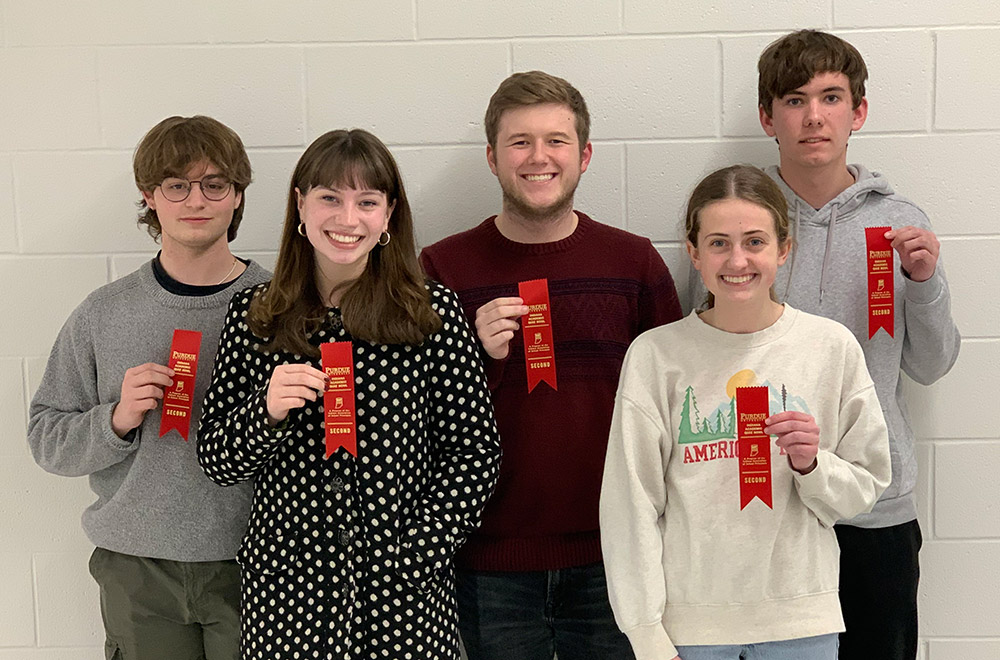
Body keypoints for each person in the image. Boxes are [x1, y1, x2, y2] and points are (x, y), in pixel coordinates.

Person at [197, 128, 501, 660]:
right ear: (300, 205)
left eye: (367, 201)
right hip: (289, 599)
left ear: (388, 215)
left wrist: (417, 555)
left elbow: (474, 453)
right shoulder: (255, 316)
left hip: (403, 601)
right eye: (330, 199)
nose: (347, 219)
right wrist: (264, 413)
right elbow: (216, 461)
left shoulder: (430, 313)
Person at [420, 70, 682, 660]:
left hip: (615, 556)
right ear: (492, 157)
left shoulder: (633, 263)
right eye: (519, 142)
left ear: (584, 155)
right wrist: (471, 359)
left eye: (556, 141)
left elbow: (678, 408)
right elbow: (413, 420)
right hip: (490, 560)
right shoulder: (442, 267)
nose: (539, 158)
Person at [603, 164, 892, 660]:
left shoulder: (830, 348)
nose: (737, 259)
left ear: (784, 248)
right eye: (718, 243)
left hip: (801, 621)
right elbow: (630, 505)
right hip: (690, 629)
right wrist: (646, 633)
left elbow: (865, 489)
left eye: (755, 241)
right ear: (693, 253)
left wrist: (812, 465)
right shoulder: (656, 356)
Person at [750, 30, 960, 660]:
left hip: (874, 505)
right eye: (794, 99)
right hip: (766, 503)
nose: (813, 116)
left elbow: (930, 364)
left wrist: (923, 283)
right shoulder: (738, 217)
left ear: (857, 112)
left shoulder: (899, 221)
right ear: (768, 118)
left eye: (831, 97)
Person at [27, 115, 270, 660]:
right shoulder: (103, 313)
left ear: (237, 197)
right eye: (176, 185)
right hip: (137, 570)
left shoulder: (281, 305)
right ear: (149, 197)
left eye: (215, 184)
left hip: (260, 562)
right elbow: (46, 437)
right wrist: (114, 420)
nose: (196, 200)